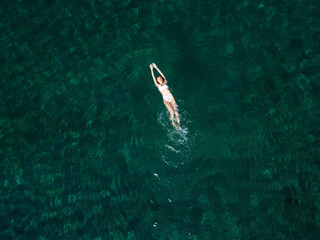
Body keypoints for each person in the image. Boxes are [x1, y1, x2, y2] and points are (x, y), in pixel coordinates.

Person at [150, 63, 181, 128]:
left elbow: (162, 74)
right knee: (172, 111)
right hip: (165, 99)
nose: (160, 78)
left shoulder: (165, 82)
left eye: (160, 78)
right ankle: (173, 122)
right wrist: (152, 69)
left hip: (171, 96)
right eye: (158, 78)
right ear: (157, 81)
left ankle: (179, 124)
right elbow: (153, 77)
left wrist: (156, 67)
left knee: (176, 110)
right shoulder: (157, 85)